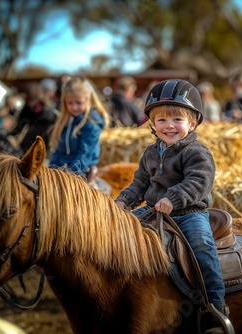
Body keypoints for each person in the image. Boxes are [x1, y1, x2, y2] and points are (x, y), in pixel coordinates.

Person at [114, 79, 230, 334]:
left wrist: (173, 198)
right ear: (153, 125)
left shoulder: (197, 152)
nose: (169, 126)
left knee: (202, 246)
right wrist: (122, 203)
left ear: (192, 123)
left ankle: (215, 307)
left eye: (177, 120)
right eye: (162, 120)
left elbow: (199, 181)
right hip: (154, 210)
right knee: (123, 231)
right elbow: (140, 184)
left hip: (189, 213)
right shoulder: (150, 153)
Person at [49, 76, 110, 189]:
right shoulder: (65, 123)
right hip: (62, 172)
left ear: (88, 100)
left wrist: (70, 175)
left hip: (83, 173)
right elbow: (58, 151)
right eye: (70, 103)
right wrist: (51, 171)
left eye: (79, 102)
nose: (74, 107)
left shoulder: (91, 125)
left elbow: (84, 155)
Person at [11, 82, 57, 153]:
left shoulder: (45, 110)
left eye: (31, 100)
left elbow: (50, 123)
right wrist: (11, 136)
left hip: (41, 145)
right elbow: (21, 125)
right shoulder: (27, 109)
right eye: (27, 101)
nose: (29, 103)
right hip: (26, 144)